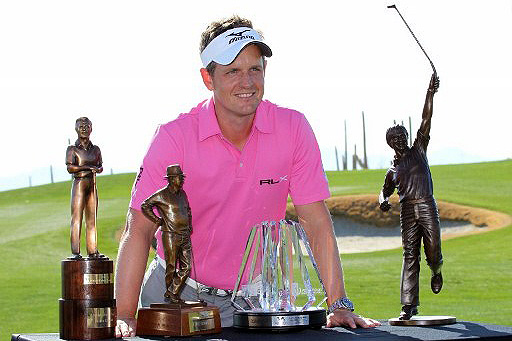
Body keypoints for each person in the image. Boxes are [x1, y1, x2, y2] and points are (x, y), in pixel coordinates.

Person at [115, 15, 380, 337]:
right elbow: (139, 230)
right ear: (208, 78)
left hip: (257, 301)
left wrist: (339, 303)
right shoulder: (174, 137)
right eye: (233, 72)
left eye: (255, 69)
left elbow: (316, 222)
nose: (247, 82)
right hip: (176, 297)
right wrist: (125, 314)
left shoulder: (293, 128)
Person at [378, 73, 442, 320]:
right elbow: (384, 190)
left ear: (407, 137)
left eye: (402, 136)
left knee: (433, 250)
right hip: (407, 212)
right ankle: (408, 305)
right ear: (390, 144)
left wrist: (430, 93)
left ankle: (436, 270)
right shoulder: (392, 170)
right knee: (410, 255)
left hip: (426, 204)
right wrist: (382, 200)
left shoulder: (419, 150)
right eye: (394, 139)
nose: (399, 140)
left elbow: (427, 118)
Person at [140, 165, 192, 303]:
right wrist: (157, 220)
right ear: (171, 179)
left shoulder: (183, 194)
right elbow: (145, 205)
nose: (181, 180)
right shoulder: (161, 195)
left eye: (182, 178)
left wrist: (189, 224)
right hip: (170, 235)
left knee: (187, 267)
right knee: (171, 267)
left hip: (184, 234)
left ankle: (172, 291)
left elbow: (188, 210)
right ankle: (172, 296)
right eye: (179, 178)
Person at [66, 117, 103, 258]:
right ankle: (75, 251)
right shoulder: (72, 149)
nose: (84, 129)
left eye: (87, 126)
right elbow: (70, 168)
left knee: (92, 218)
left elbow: (100, 166)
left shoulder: (96, 149)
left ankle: (92, 250)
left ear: (91, 129)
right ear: (76, 129)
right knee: (76, 218)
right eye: (81, 126)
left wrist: (97, 169)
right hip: (79, 184)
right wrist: (89, 167)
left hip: (92, 184)